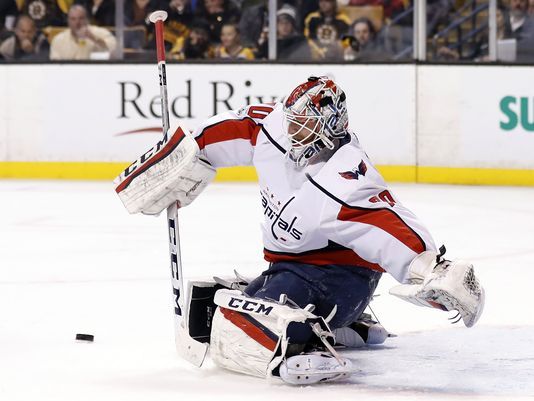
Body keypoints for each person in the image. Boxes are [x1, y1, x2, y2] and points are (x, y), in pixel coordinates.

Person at [114, 76, 485, 384]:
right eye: (292, 120)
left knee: (235, 323)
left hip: (340, 281)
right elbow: (225, 132)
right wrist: (178, 157)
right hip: (292, 268)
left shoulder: (344, 174)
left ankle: (309, 344)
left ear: (330, 124)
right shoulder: (273, 128)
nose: (293, 130)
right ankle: (348, 329)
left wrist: (430, 269)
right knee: (226, 300)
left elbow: (385, 222)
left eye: (304, 124)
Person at [49, 4, 116, 60]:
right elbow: (55, 64)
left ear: (87, 19)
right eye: (73, 19)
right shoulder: (58, 40)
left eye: (80, 18)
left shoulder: (100, 33)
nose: (77, 22)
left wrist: (93, 38)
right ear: (68, 21)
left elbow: (113, 50)